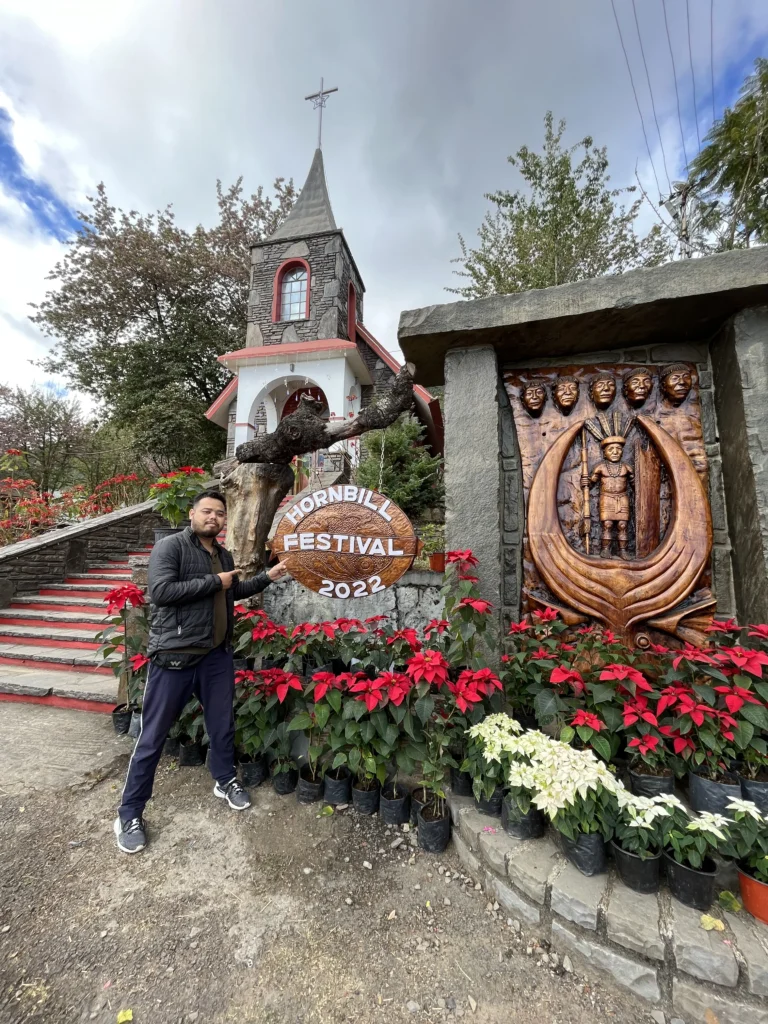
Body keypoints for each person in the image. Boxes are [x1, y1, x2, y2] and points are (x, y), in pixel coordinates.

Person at [114, 489, 289, 854]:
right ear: (192, 514)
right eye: (207, 511)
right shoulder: (172, 548)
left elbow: (232, 591)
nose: (214, 517)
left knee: (222, 725)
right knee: (152, 738)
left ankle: (225, 780)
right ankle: (129, 812)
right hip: (174, 658)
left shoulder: (222, 554)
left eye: (220, 513)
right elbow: (160, 592)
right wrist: (216, 582)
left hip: (215, 657)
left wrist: (268, 576)